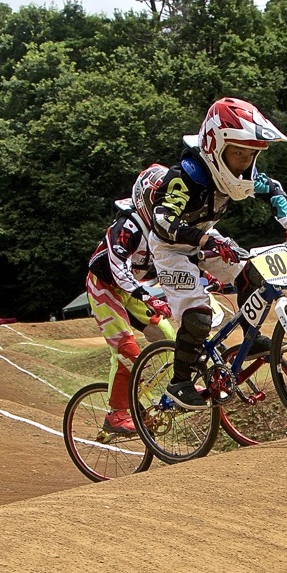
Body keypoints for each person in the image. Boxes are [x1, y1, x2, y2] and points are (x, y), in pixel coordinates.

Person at [147, 97, 287, 410]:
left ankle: (249, 340)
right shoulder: (185, 176)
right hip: (169, 247)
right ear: (214, 147)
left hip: (206, 239)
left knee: (254, 274)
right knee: (198, 317)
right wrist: (204, 240)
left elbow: (274, 189)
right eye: (238, 153)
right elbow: (163, 222)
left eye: (251, 155)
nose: (245, 163)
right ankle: (180, 382)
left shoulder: (242, 175)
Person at [86, 167, 177, 433]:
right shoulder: (127, 225)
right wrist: (150, 297)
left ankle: (176, 387)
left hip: (129, 288)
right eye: (157, 200)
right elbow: (117, 268)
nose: (162, 207)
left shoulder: (162, 227)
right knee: (127, 350)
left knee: (166, 334)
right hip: (103, 286)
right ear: (143, 198)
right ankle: (116, 413)